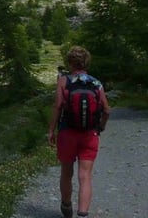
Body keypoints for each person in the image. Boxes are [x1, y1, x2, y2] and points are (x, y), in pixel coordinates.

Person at [47, 46, 111, 218]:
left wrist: (51, 130)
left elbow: (58, 106)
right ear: (86, 62)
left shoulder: (64, 81)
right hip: (90, 134)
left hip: (67, 133)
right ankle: (83, 214)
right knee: (85, 176)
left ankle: (66, 206)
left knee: (66, 172)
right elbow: (106, 110)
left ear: (70, 63)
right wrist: (101, 126)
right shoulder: (96, 83)